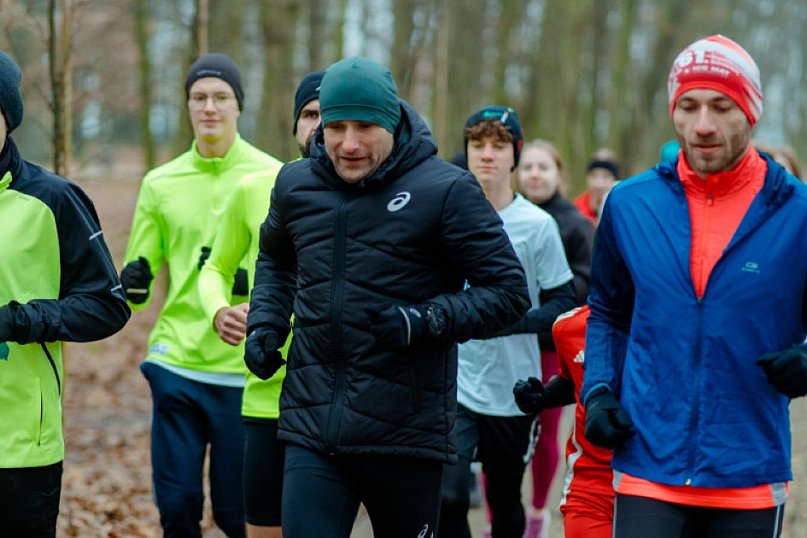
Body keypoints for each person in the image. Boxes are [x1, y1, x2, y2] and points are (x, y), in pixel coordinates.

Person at [244, 57, 531, 538]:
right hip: (314, 429)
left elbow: (507, 292)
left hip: (406, 435)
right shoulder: (295, 185)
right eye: (335, 126)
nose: (348, 143)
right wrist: (266, 323)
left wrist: (427, 319)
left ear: (393, 122)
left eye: (365, 126)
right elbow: (276, 259)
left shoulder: (446, 190)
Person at [579, 34, 807, 537]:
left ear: (751, 111)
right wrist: (598, 390)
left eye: (721, 106)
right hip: (647, 467)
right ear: (673, 111)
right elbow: (608, 312)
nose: (702, 125)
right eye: (689, 106)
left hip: (747, 469)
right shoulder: (629, 203)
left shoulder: (798, 211)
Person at [120, 52, 281, 538]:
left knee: (237, 516)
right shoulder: (160, 182)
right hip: (177, 362)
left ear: (239, 106)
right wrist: (133, 280)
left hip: (243, 370)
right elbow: (138, 285)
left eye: (221, 97)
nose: (209, 107)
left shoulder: (276, 176)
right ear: (187, 106)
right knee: (177, 507)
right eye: (199, 97)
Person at [0, 50, 130, 537]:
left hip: (18, 445)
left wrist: (18, 320)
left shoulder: (53, 199)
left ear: (9, 117)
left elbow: (107, 305)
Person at [438, 107, 575, 538]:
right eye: (478, 145)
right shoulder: (443, 215)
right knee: (449, 496)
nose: (487, 155)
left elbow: (563, 305)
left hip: (514, 387)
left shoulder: (538, 226)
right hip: (454, 381)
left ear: (514, 154)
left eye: (498, 146)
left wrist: (507, 322)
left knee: (502, 498)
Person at [197, 70, 322, 538]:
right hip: (266, 396)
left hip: (338, 405)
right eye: (309, 114)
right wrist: (219, 310)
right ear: (294, 126)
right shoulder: (256, 188)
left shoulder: (378, 201)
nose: (321, 126)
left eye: (332, 115)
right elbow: (213, 268)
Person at [515, 139, 593, 537]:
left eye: (543, 167)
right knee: (508, 432)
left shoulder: (576, 225)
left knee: (546, 431)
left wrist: (548, 299)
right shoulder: (502, 216)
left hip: (550, 341)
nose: (534, 174)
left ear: (560, 174)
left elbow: (585, 282)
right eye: (527, 166)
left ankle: (537, 514)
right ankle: (503, 517)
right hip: (508, 340)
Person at [513, 306, 614, 538]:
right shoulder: (568, 327)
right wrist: (545, 395)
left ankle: (536, 512)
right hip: (591, 487)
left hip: (656, 484)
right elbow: (573, 381)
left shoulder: (674, 325)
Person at [572, 154, 620, 225]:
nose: (599, 183)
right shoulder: (576, 209)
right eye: (594, 175)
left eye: (606, 176)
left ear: (615, 180)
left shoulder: (620, 208)